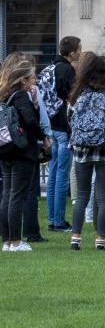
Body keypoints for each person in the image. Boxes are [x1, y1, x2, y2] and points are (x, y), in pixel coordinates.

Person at [65, 54, 105, 250]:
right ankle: (100, 240)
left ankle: (75, 238)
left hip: (81, 151)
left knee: (81, 196)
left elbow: (70, 121)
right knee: (104, 197)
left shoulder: (76, 95)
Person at [1, 54, 47, 251]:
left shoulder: (5, 94)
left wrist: (35, 103)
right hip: (22, 149)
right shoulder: (20, 96)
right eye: (32, 78)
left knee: (7, 194)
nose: (35, 81)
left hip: (6, 149)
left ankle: (7, 241)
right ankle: (15, 241)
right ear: (23, 80)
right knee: (17, 195)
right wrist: (43, 135)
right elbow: (29, 121)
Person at [37, 36, 80, 233]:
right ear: (71, 53)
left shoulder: (50, 67)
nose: (80, 52)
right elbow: (71, 96)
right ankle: (59, 221)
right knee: (62, 174)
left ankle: (53, 219)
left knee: (53, 174)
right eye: (78, 49)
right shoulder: (67, 69)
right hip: (63, 126)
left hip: (51, 125)